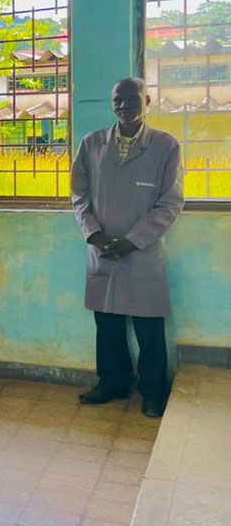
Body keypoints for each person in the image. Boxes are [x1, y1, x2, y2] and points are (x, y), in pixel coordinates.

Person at [71, 77, 184, 417]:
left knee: (148, 326)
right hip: (102, 249)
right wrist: (94, 235)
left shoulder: (165, 146)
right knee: (107, 323)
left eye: (132, 98)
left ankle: (153, 391)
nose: (124, 105)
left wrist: (133, 241)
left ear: (146, 101)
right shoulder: (91, 144)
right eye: (118, 100)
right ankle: (112, 383)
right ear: (112, 103)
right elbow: (79, 196)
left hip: (143, 251)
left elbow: (170, 203)